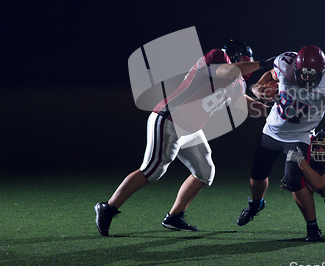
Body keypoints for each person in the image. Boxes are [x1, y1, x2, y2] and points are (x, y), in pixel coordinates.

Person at [95, 40, 274, 236]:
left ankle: (174, 216)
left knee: (205, 172)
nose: (249, 65)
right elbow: (229, 70)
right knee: (152, 170)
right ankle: (108, 207)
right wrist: (265, 63)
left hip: (191, 129)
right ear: (233, 56)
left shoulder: (238, 84)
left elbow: (247, 104)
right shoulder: (216, 58)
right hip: (169, 119)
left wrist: (278, 112)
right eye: (245, 60)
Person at [236, 45, 325, 241]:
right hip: (271, 131)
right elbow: (268, 76)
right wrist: (258, 90)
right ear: (295, 67)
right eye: (303, 74)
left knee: (295, 182)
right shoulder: (284, 64)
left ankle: (313, 228)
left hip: (300, 137)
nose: (306, 79)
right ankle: (256, 203)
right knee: (257, 175)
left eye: (312, 75)